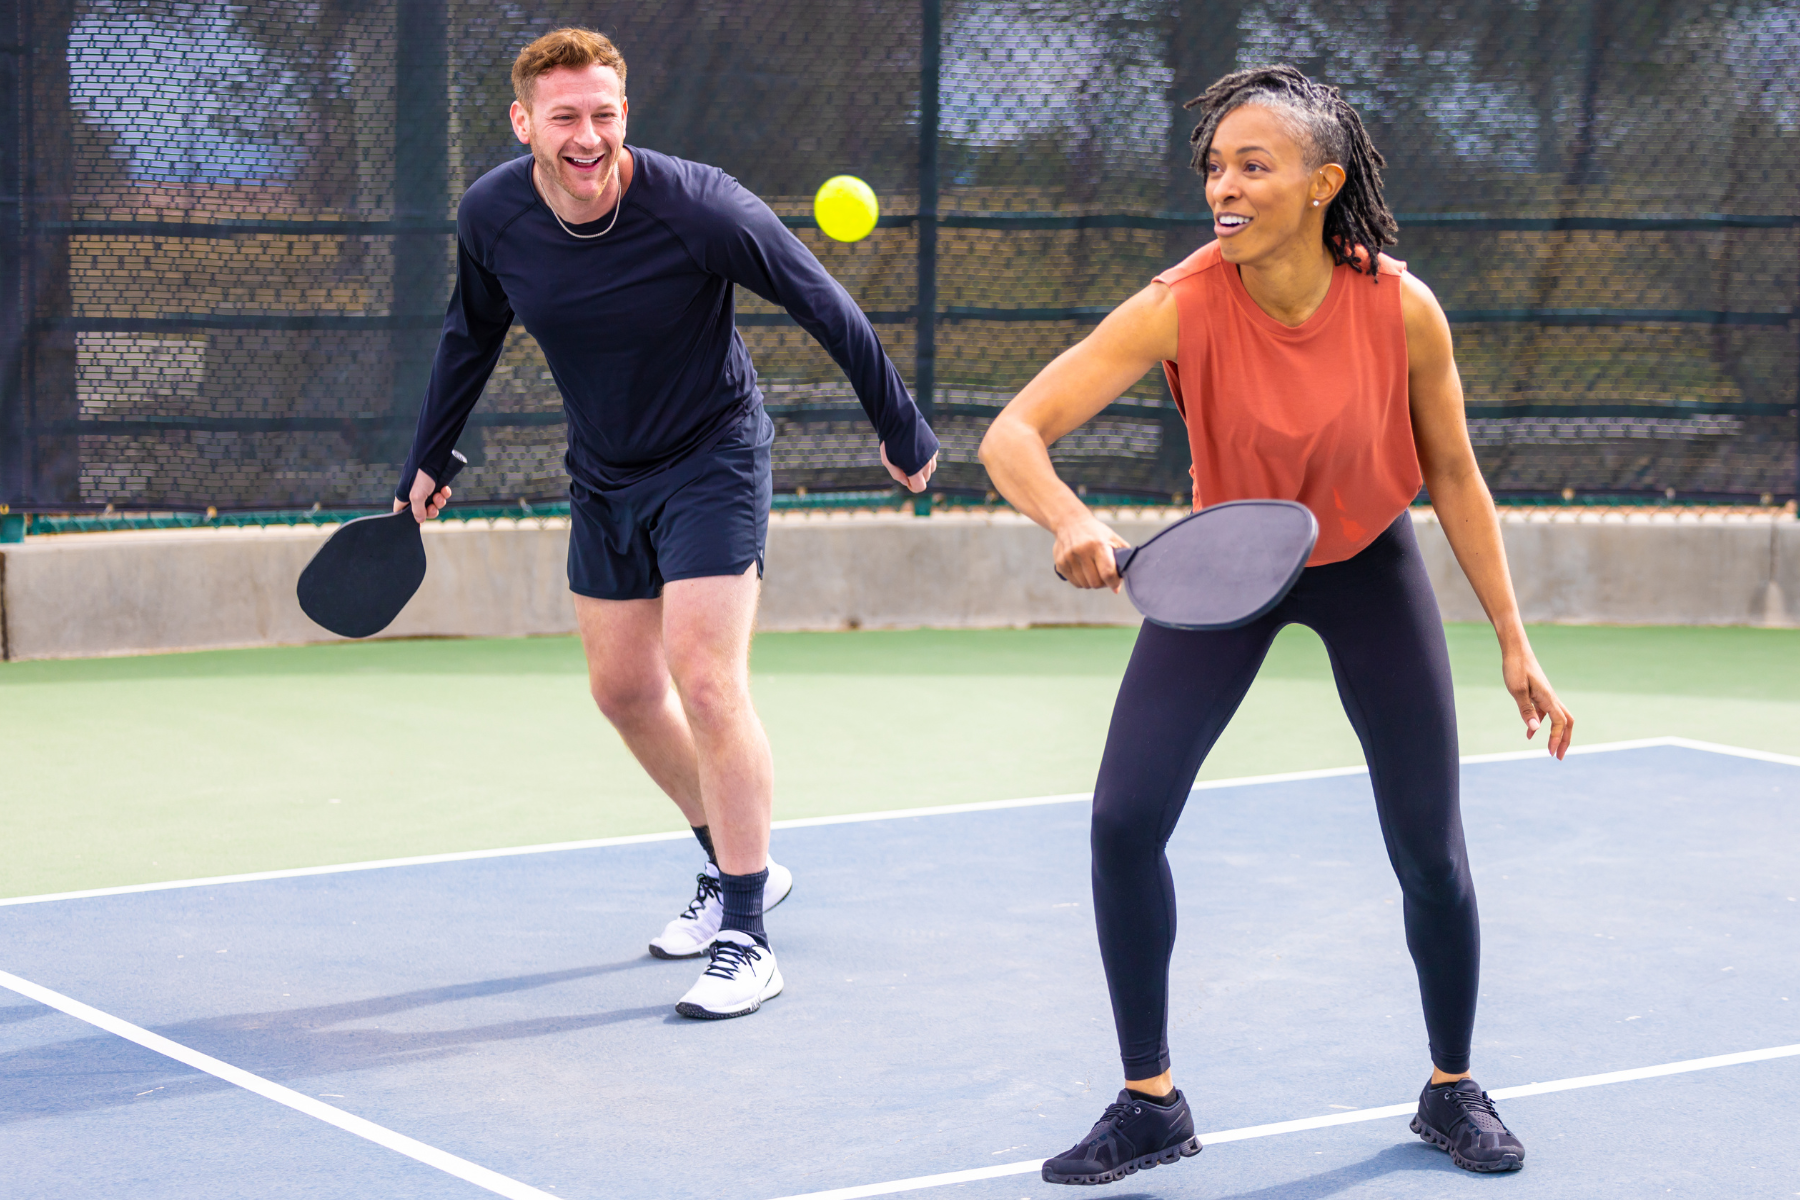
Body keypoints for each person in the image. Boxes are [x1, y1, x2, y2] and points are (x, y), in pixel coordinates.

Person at [980, 65, 1572, 1183]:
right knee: (1123, 821)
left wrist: (1512, 635)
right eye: (1214, 166)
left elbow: (1453, 473)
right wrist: (1065, 516)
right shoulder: (1179, 301)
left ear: (1322, 183)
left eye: (1255, 164)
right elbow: (1014, 432)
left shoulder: (1401, 306)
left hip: (1368, 565)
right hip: (1230, 568)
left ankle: (1452, 1089)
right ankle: (1149, 1102)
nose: (1225, 186)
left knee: (1430, 855)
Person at [395, 28, 938, 1020]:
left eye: (605, 114)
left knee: (705, 676)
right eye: (566, 116)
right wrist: (430, 454)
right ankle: (740, 866)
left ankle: (747, 935)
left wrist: (899, 426)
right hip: (605, 470)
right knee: (623, 690)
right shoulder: (495, 214)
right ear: (524, 124)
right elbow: (471, 327)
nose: (589, 136)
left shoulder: (699, 207)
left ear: (624, 117)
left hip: (713, 456)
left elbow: (823, 303)